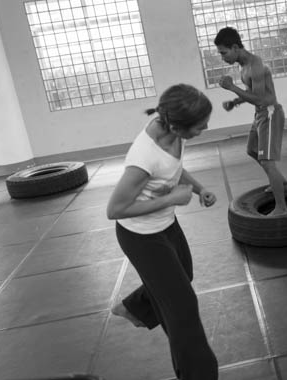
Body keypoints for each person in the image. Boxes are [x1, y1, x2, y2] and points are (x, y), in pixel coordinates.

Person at [106, 84, 218, 380]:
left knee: (184, 279)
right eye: (199, 126)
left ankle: (135, 307)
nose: (205, 128)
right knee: (183, 310)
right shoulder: (143, 157)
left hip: (166, 225)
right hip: (141, 237)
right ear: (178, 125)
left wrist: (199, 189)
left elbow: (174, 168)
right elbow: (115, 209)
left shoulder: (173, 132)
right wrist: (170, 199)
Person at [214, 26, 287, 216]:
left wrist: (232, 88)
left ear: (235, 47)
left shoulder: (255, 66)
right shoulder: (243, 66)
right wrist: (235, 102)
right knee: (252, 150)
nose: (223, 57)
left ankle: (281, 207)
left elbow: (260, 99)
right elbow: (253, 92)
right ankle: (278, 181)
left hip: (270, 113)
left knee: (267, 161)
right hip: (260, 115)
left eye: (224, 53)